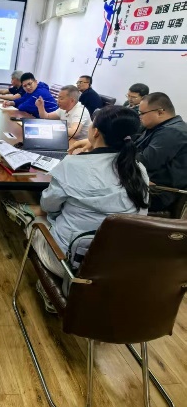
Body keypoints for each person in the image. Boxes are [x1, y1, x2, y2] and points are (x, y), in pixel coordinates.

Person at [32, 106, 148, 309]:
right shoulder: (138, 170)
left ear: (95, 132)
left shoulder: (73, 164)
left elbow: (48, 204)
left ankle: (50, 289)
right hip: (119, 261)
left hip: (69, 261)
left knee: (35, 218)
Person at [134, 92, 187, 211]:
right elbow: (135, 148)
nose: (139, 116)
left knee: (106, 192)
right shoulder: (156, 127)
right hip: (146, 182)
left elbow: (145, 162)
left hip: (160, 192)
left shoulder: (173, 132)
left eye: (142, 113)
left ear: (160, 112)